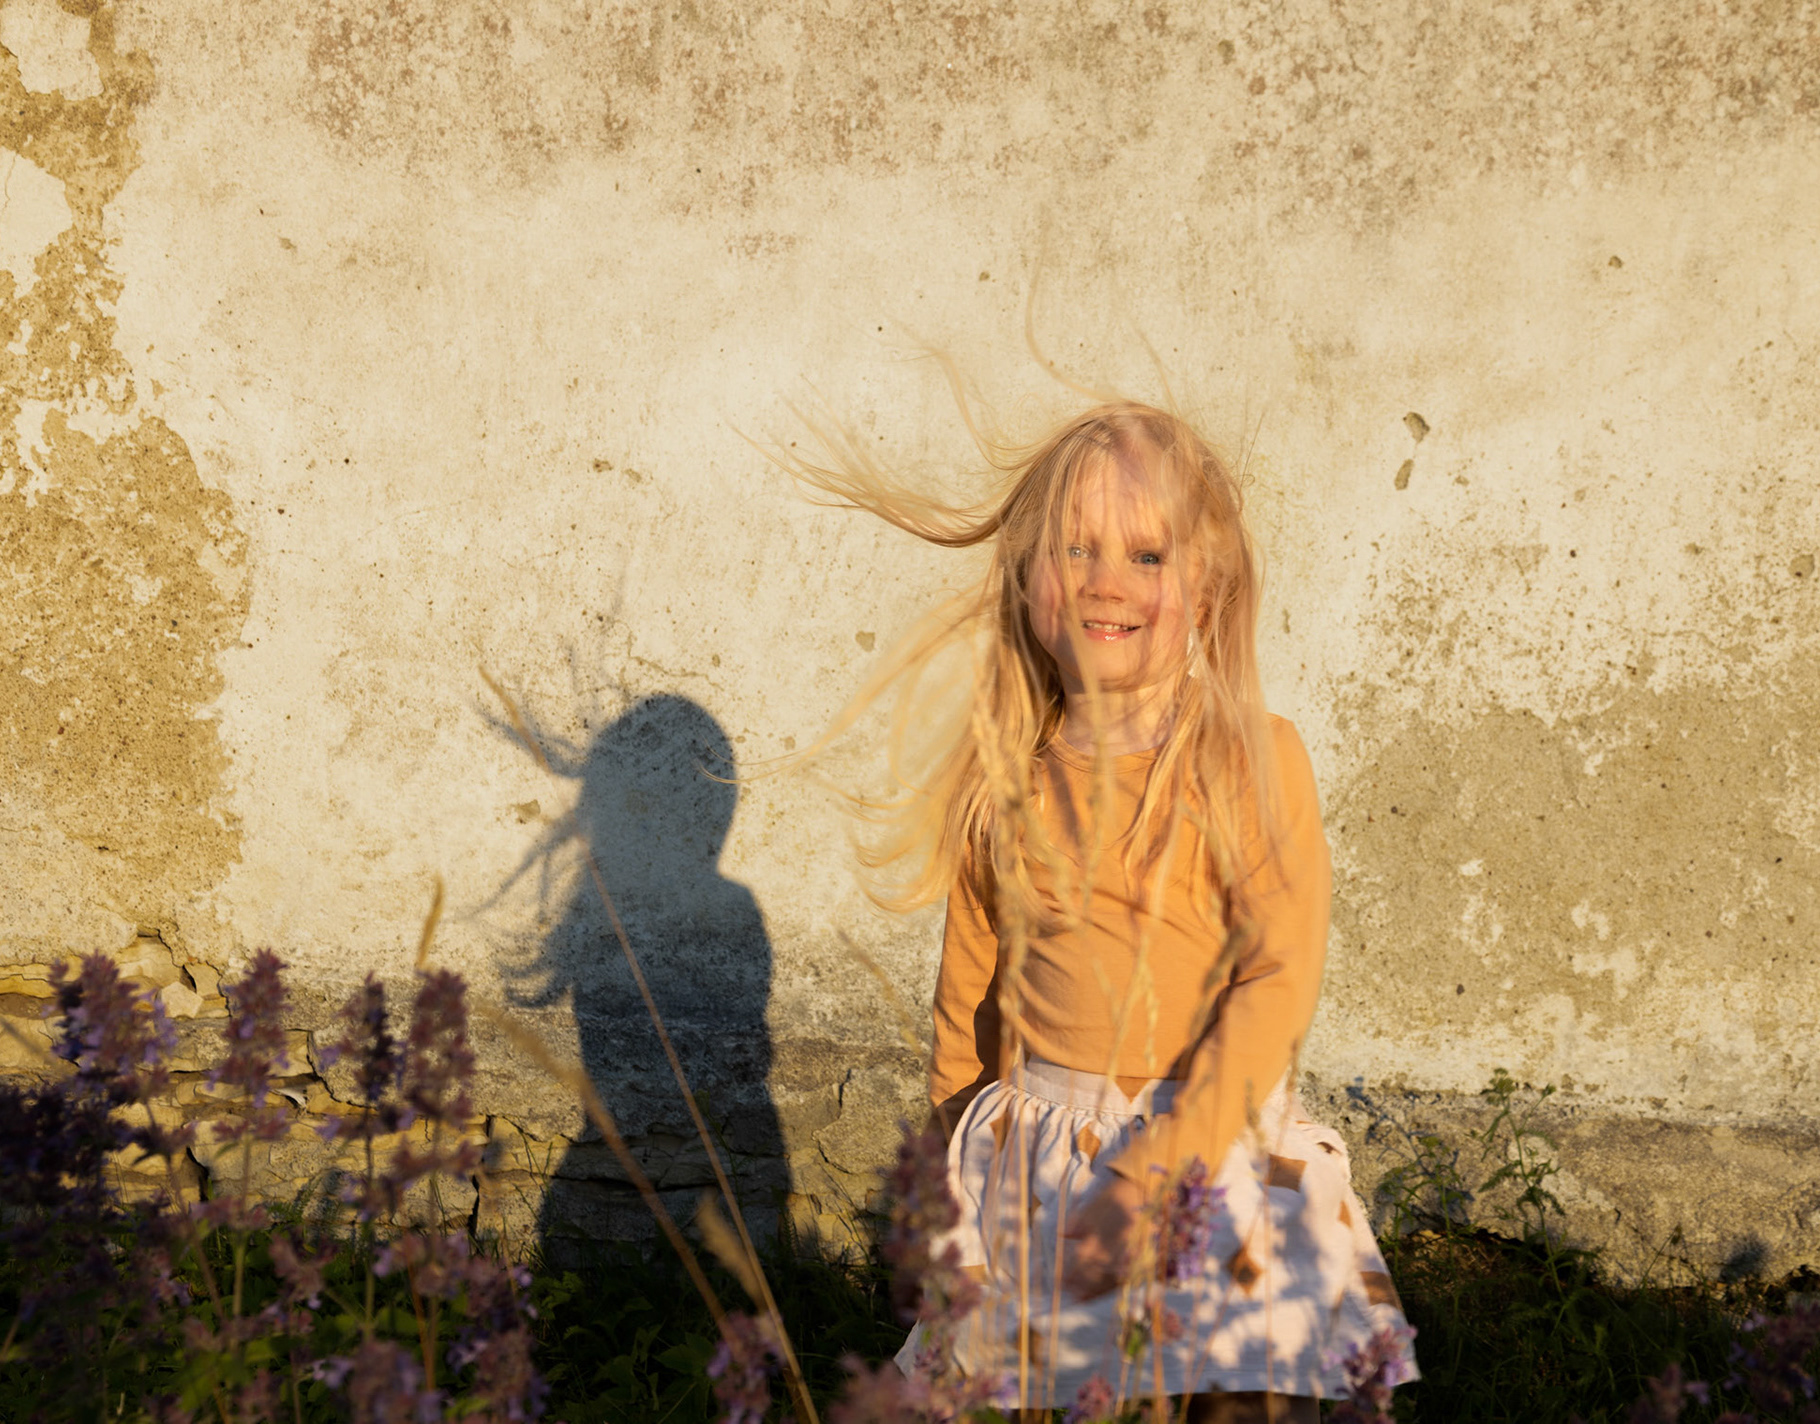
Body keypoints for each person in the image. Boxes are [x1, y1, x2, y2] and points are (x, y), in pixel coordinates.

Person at [789, 398, 1415, 1421]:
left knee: (1243, 1405)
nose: (1105, 581)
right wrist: (950, 1204)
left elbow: (1277, 976)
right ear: (1026, 579)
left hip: (1214, 1157)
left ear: (1207, 585)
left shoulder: (1251, 758)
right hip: (1042, 1168)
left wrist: (1167, 1162)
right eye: (1073, 549)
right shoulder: (1003, 778)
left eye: (1146, 555)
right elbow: (968, 1014)